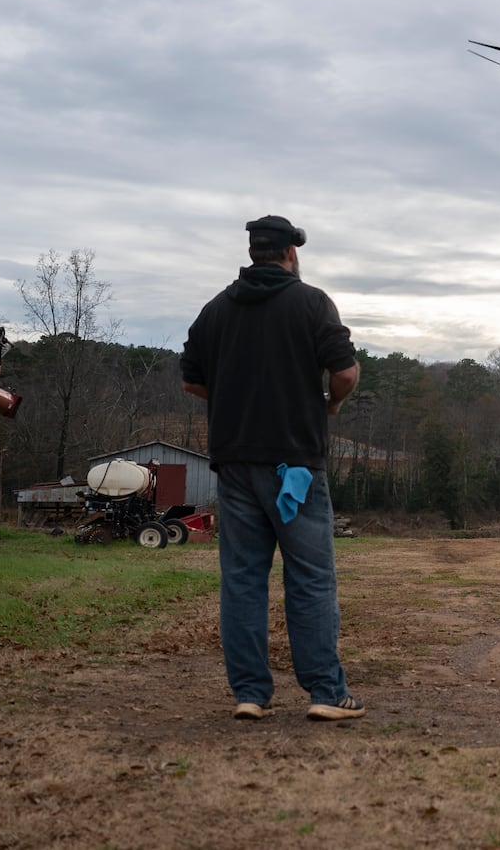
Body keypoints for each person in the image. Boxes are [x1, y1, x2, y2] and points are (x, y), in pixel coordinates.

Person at [180, 215, 363, 721]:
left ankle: (250, 694)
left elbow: (191, 382)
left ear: (253, 252)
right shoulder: (311, 303)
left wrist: (236, 395)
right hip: (295, 466)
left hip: (234, 461)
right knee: (310, 578)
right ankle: (326, 693)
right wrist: (332, 403)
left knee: (242, 578)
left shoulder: (216, 309)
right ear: (291, 254)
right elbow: (345, 372)